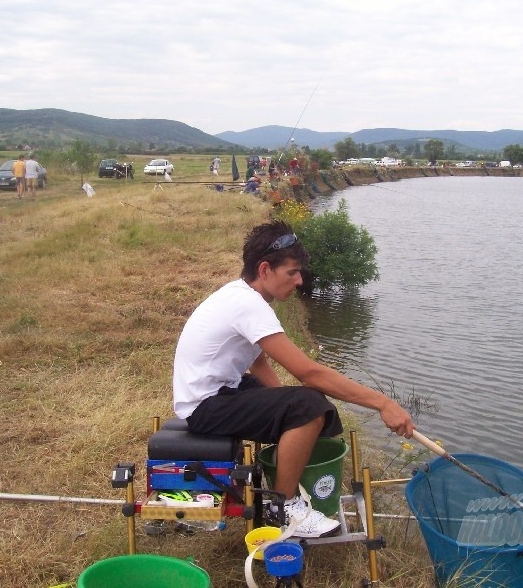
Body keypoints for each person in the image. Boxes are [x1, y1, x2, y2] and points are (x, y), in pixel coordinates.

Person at [173, 220, 415, 538]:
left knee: (305, 410)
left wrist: (282, 406)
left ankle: (287, 481)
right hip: (205, 405)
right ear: (264, 269)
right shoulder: (247, 305)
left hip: (218, 391)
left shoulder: (241, 296)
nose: (299, 280)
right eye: (292, 272)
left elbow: (256, 358)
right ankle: (283, 509)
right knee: (311, 406)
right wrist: (382, 403)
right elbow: (309, 373)